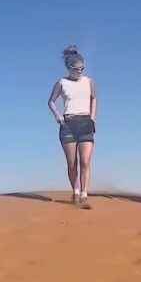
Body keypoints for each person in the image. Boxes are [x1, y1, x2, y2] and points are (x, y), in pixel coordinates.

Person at [47, 45, 97, 206]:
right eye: (77, 69)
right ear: (70, 68)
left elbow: (94, 98)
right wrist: (57, 115)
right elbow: (51, 101)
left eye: (82, 68)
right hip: (68, 124)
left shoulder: (89, 82)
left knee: (85, 162)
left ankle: (84, 194)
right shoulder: (62, 83)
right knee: (72, 163)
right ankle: (75, 192)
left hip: (85, 123)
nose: (80, 71)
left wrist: (93, 118)